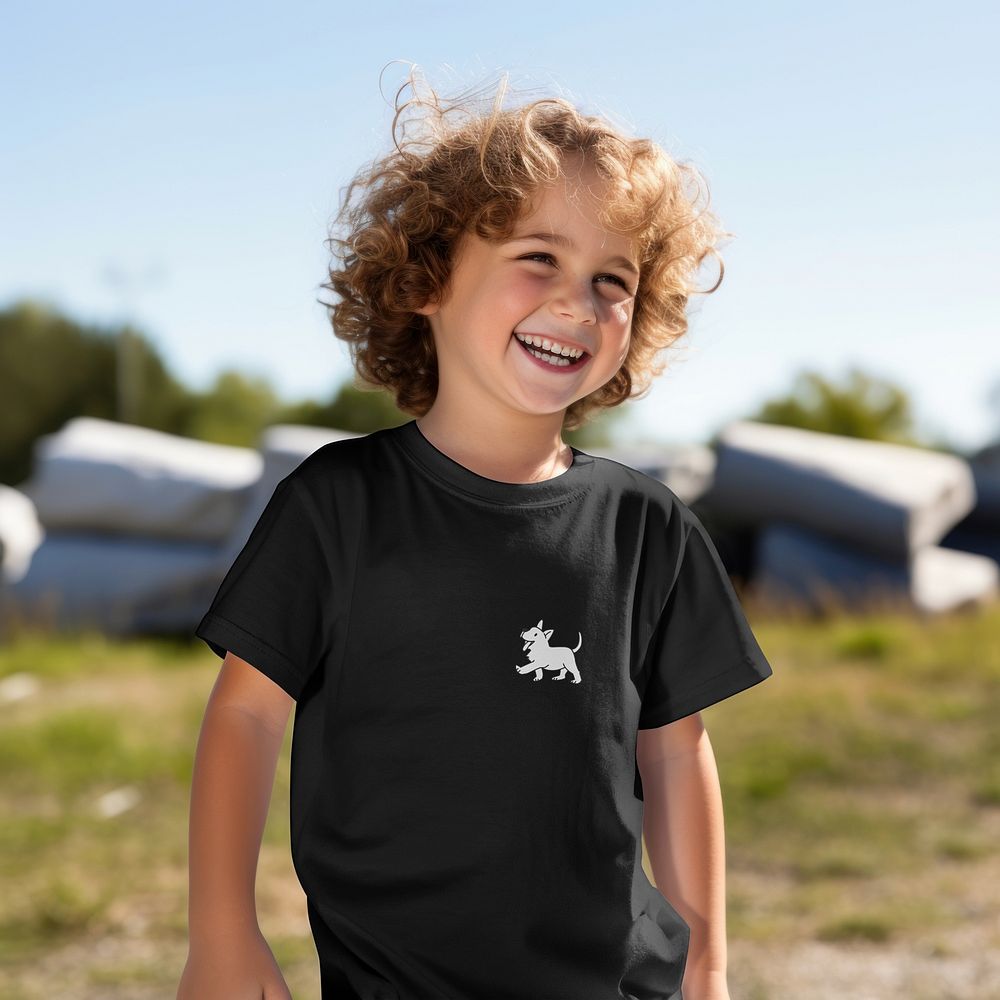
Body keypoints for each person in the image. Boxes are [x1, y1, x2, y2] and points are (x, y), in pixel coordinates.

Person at [177, 67, 773, 1000]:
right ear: (426, 280)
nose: (578, 300)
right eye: (539, 257)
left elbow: (676, 747)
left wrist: (710, 965)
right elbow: (247, 713)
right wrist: (220, 933)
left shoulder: (646, 525)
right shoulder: (337, 505)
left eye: (611, 279)